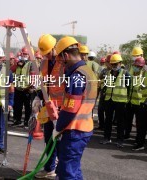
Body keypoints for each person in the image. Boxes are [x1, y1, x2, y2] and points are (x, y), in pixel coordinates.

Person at [52, 36, 97, 179]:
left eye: (61, 60)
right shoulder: (88, 72)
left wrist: (58, 127)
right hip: (84, 128)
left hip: (75, 131)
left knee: (67, 172)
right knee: (74, 169)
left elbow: (71, 109)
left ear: (65, 55)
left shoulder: (77, 76)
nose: (62, 65)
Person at [35, 34, 64, 179]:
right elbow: (43, 83)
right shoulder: (44, 62)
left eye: (48, 52)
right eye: (44, 54)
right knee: (49, 139)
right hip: (48, 106)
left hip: (62, 108)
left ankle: (60, 171)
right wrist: (38, 96)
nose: (46, 56)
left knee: (59, 141)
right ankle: (49, 168)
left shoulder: (64, 62)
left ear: (54, 47)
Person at [100, 54, 131, 147]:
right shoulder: (108, 73)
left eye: (116, 64)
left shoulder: (126, 74)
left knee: (120, 122)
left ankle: (120, 140)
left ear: (120, 63)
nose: (114, 66)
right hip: (109, 100)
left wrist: (127, 100)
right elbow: (105, 85)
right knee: (108, 120)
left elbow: (130, 87)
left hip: (120, 101)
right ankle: (106, 138)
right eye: (112, 64)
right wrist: (104, 94)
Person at [13, 47, 35, 128]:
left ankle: (26, 122)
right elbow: (12, 70)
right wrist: (16, 63)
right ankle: (17, 120)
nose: (24, 55)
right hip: (18, 88)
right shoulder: (18, 63)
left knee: (27, 107)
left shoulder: (31, 63)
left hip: (27, 89)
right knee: (17, 106)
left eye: (25, 54)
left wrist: (31, 86)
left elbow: (33, 75)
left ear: (29, 55)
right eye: (23, 53)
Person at [96, 55, 112, 130]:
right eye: (107, 62)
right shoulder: (104, 71)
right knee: (100, 109)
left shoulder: (116, 72)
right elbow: (99, 78)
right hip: (103, 92)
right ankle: (101, 125)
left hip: (111, 94)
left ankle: (108, 126)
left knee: (109, 111)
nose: (107, 64)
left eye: (108, 62)